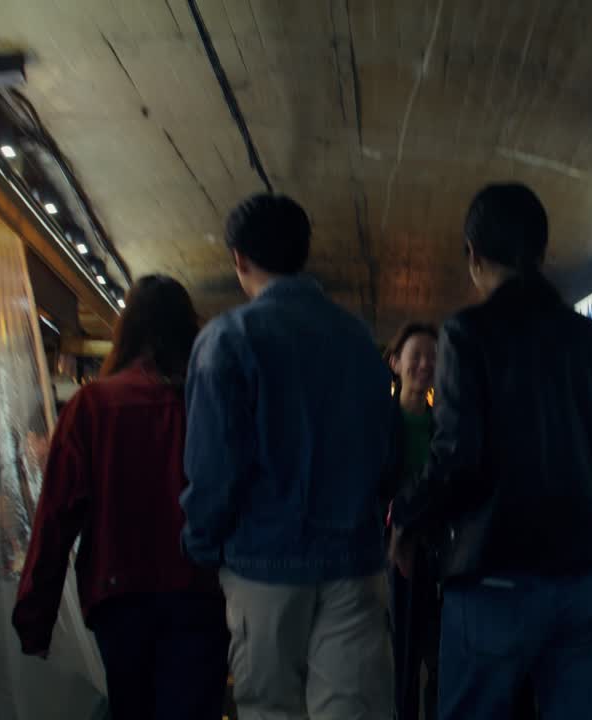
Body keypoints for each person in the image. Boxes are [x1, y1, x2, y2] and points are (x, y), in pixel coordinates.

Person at [389, 183, 592, 720]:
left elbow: (459, 456)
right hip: (585, 583)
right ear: (541, 252)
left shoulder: (468, 333)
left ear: (472, 255)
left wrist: (407, 516)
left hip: (494, 582)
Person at [181, 194, 396, 720]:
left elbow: (213, 469)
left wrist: (203, 544)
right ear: (304, 254)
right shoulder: (360, 341)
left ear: (238, 259)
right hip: (354, 564)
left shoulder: (228, 340)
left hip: (263, 566)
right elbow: (389, 456)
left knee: (271, 709)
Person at [12, 275, 229, 720]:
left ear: (125, 329)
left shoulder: (91, 406)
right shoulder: (210, 402)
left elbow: (55, 515)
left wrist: (35, 616)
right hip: (200, 594)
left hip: (119, 598)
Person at [386, 322, 441, 720]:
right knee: (399, 656)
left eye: (433, 357)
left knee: (441, 655)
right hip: (391, 555)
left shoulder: (446, 426)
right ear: (394, 362)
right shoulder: (381, 422)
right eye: (416, 355)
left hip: (439, 551)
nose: (425, 364)